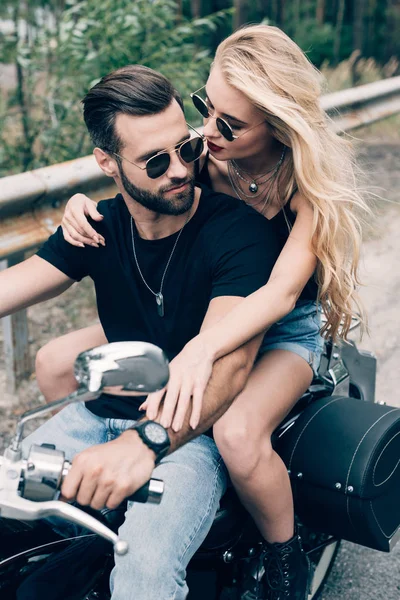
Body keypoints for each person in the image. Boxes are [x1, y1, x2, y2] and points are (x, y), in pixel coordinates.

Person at [35, 25, 369, 600]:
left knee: (239, 434)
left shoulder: (306, 189)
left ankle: (282, 560)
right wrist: (82, 203)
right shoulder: (204, 154)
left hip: (279, 329)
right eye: (204, 108)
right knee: (60, 359)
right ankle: (107, 495)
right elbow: (146, 181)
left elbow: (280, 297)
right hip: (201, 307)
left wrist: (202, 348)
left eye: (228, 124)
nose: (205, 134)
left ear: (279, 125)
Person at [0, 64, 281, 599]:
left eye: (186, 150)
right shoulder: (98, 228)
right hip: (96, 418)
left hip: (188, 438)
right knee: (14, 518)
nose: (179, 170)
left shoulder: (237, 232)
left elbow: (227, 365)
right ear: (107, 162)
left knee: (142, 573)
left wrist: (145, 441)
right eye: (155, 161)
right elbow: (11, 287)